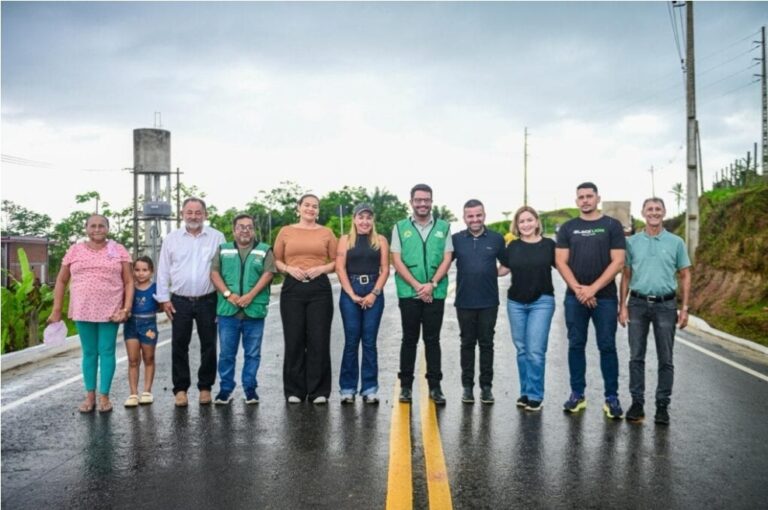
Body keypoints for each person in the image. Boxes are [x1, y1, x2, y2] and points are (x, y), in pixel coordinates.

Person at [49, 214, 133, 413]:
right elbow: (61, 281)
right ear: (86, 228)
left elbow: (129, 281)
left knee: (106, 351)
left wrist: (125, 309)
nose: (97, 229)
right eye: (93, 226)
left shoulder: (118, 250)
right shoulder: (74, 251)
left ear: (108, 228)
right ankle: (90, 396)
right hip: (82, 309)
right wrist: (56, 310)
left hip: (110, 310)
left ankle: (104, 396)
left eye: (101, 226)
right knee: (89, 353)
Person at [555, 182, 626, 419]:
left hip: (604, 299)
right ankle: (577, 395)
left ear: (598, 198)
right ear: (577, 201)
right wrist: (579, 291)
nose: (585, 200)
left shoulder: (611, 226)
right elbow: (561, 262)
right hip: (575, 299)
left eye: (589, 196)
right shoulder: (568, 228)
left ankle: (612, 398)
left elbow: (618, 262)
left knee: (607, 346)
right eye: (581, 197)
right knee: (576, 345)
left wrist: (592, 289)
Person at [619, 198, 691, 425]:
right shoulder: (632, 243)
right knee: (636, 357)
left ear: (664, 212)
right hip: (638, 304)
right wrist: (622, 305)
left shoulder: (676, 242)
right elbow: (626, 275)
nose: (654, 213)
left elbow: (685, 274)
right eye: (649, 209)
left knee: (666, 358)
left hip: (666, 305)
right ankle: (637, 403)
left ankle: (662, 406)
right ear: (642, 213)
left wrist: (685, 308)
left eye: (658, 209)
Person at [156, 197, 225, 407]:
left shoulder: (216, 237)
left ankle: (205, 388)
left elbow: (223, 268)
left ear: (205, 214)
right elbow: (163, 270)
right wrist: (164, 299)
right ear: (182, 214)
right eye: (189, 212)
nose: (194, 216)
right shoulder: (172, 239)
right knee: (179, 345)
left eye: (198, 212)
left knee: (209, 345)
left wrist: (224, 298)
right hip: (180, 301)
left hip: (208, 300)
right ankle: (180, 390)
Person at [391, 184, 453, 405]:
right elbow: (396, 260)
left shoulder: (444, 227)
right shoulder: (399, 227)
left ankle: (435, 387)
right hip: (409, 292)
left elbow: (447, 257)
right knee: (409, 339)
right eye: (418, 200)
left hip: (435, 292)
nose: (422, 204)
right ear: (411, 202)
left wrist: (432, 284)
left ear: (432, 201)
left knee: (432, 340)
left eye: (426, 200)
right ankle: (406, 386)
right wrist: (419, 286)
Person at [274, 194, 337, 404]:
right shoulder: (286, 231)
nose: (311, 209)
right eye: (307, 205)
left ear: (318, 210)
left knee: (319, 339)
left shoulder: (326, 233)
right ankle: (294, 390)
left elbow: (337, 261)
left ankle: (319, 391)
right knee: (294, 339)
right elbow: (276, 261)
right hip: (292, 288)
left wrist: (321, 268)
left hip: (319, 288)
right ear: (298, 207)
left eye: (315, 206)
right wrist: (289, 269)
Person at [210, 213, 275, 405]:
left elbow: (269, 273)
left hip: (254, 311)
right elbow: (214, 273)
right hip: (227, 312)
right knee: (226, 354)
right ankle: (225, 390)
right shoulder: (223, 249)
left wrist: (250, 296)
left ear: (254, 230)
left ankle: (250, 390)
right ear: (234, 230)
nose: (245, 230)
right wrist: (229, 295)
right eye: (241, 227)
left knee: (252, 353)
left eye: (249, 227)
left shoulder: (264, 250)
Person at [500, 206, 556, 412]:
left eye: (529, 220)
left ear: (536, 222)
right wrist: (477, 266)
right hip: (516, 303)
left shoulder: (549, 245)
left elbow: (565, 266)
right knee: (522, 350)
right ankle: (525, 392)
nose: (526, 224)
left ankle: (535, 395)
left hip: (542, 302)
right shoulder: (512, 246)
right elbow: (503, 270)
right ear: (517, 224)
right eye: (521, 221)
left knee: (535, 350)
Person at [451, 199, 506, 405]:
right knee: (466, 344)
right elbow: (445, 261)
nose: (475, 219)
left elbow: (507, 264)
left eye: (478, 215)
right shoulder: (456, 239)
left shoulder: (497, 238)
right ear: (464, 217)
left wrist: (492, 275)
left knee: (486, 344)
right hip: (464, 301)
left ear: (484, 215)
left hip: (489, 301)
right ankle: (467, 387)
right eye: (470, 216)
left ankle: (486, 387)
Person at [336, 203, 390, 405]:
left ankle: (369, 389)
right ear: (354, 219)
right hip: (350, 291)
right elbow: (340, 268)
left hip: (373, 291)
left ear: (372, 220)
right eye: (361, 217)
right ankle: (347, 389)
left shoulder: (380, 240)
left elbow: (385, 269)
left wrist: (374, 293)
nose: (365, 221)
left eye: (368, 217)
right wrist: (351, 294)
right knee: (351, 341)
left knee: (369, 342)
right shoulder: (345, 240)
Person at [123, 256, 160, 408]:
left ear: (151, 272)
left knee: (149, 358)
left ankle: (147, 391)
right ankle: (133, 393)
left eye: (145, 270)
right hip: (131, 325)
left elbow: (162, 306)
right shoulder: (129, 288)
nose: (140, 273)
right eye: (137, 270)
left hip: (149, 326)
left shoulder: (156, 288)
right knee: (133, 360)